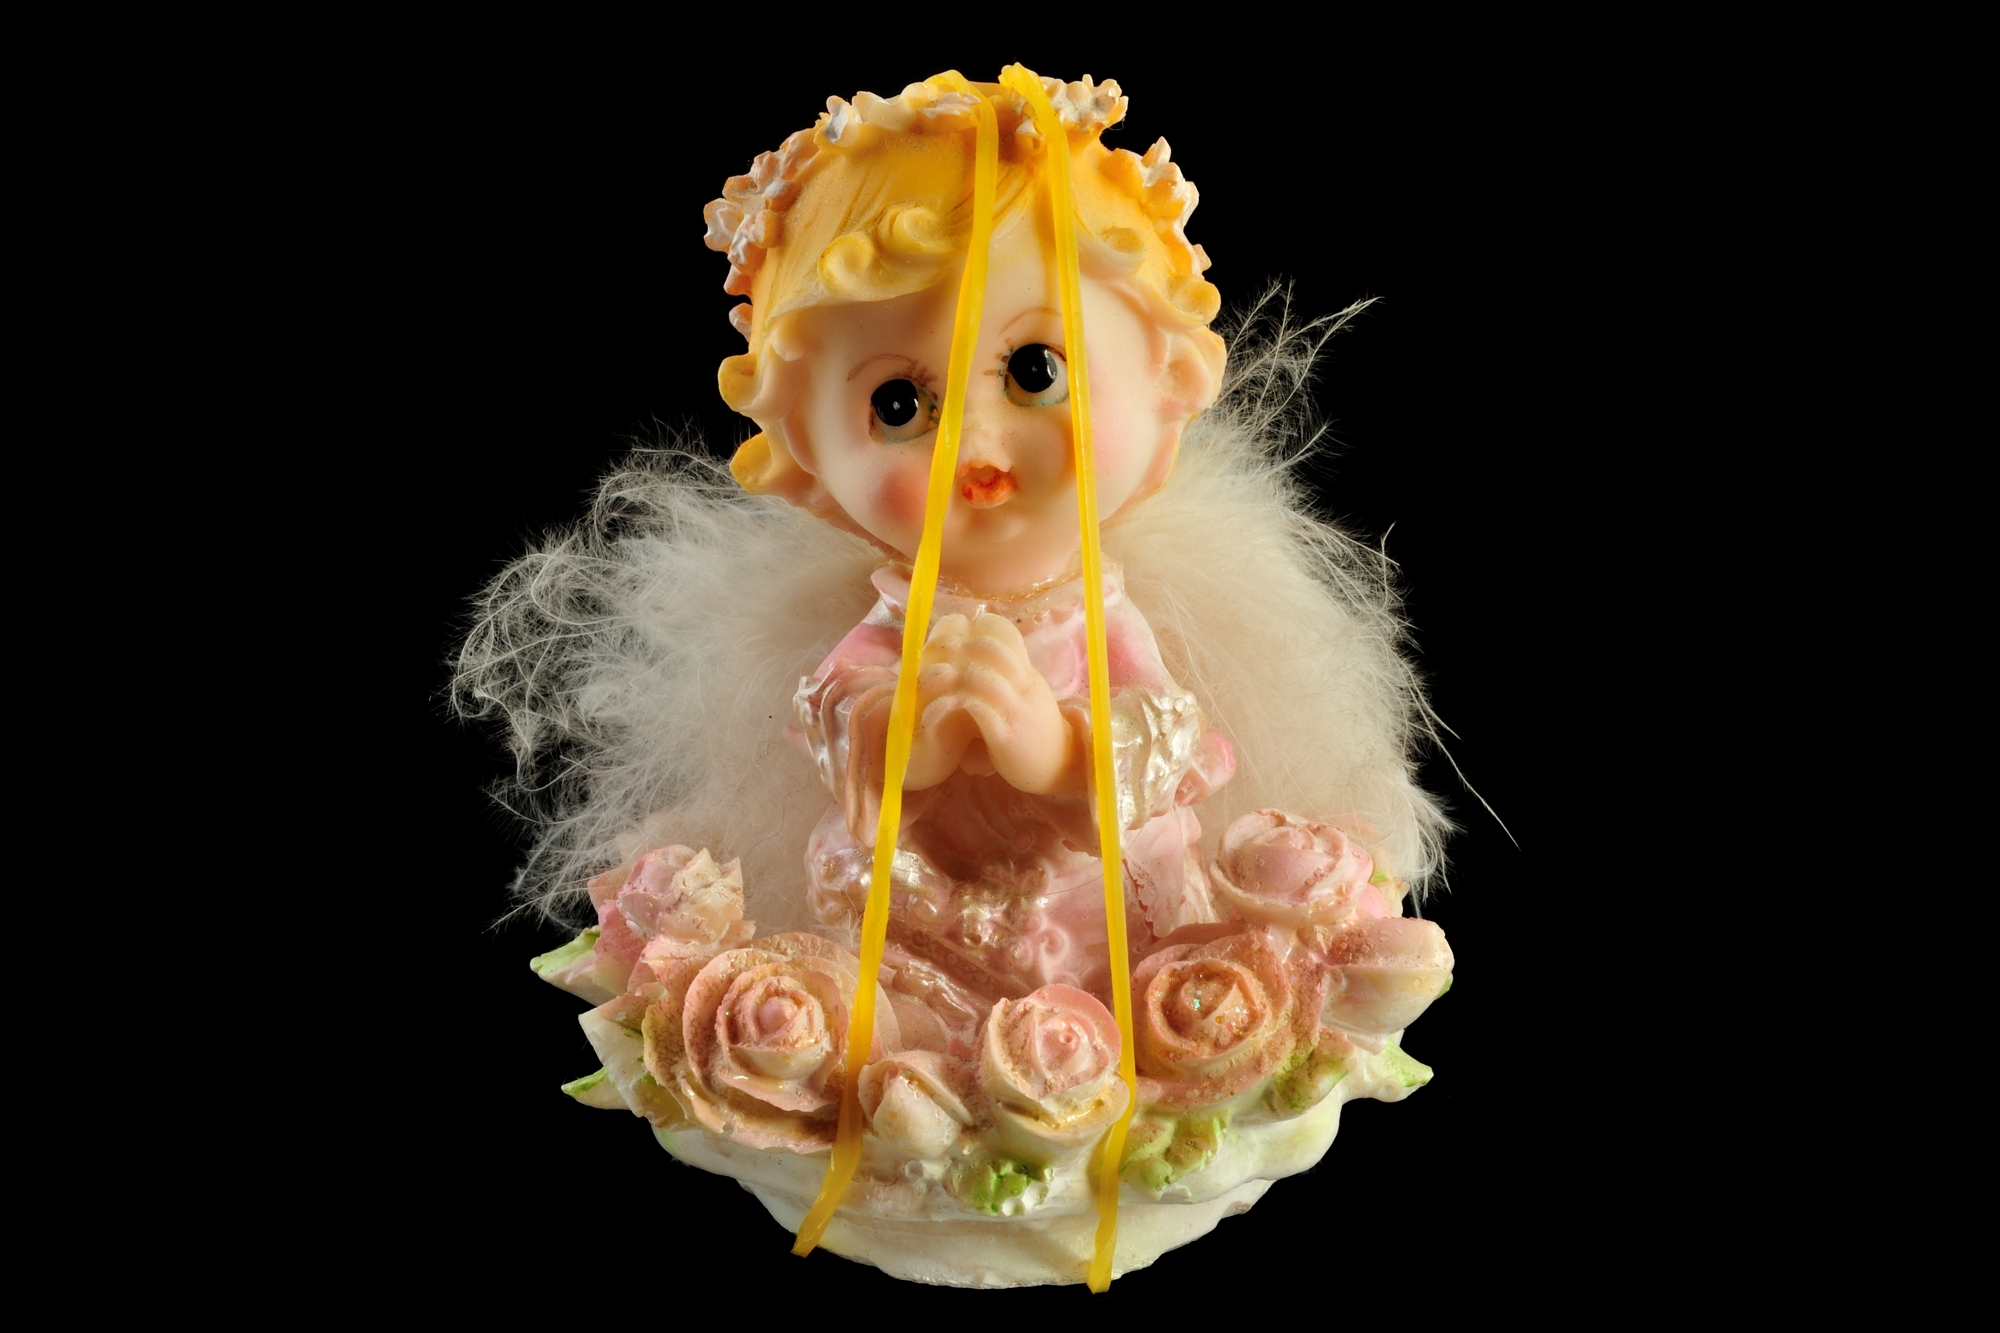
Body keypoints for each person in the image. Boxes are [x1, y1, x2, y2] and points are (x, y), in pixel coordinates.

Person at [458, 70, 1453, 1287]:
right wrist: (911, 743)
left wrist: (1047, 746)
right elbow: (836, 731)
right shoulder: (884, 632)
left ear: (1162, 394)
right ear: (807, 451)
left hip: (1096, 907)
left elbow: (1165, 744)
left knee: (1128, 979)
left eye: (1035, 371)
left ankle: (1091, 1090)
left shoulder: (1098, 616)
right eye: (897, 402)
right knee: (887, 1017)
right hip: (916, 908)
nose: (971, 444)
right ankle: (904, 1099)